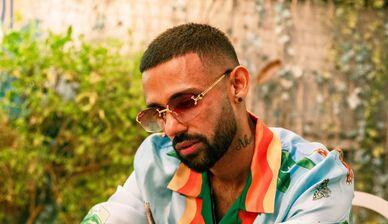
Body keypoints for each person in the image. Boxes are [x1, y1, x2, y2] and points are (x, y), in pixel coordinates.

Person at [82, 23, 354, 224]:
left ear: (237, 85)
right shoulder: (160, 161)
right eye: (159, 112)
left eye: (186, 102)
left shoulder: (315, 179)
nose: (171, 129)